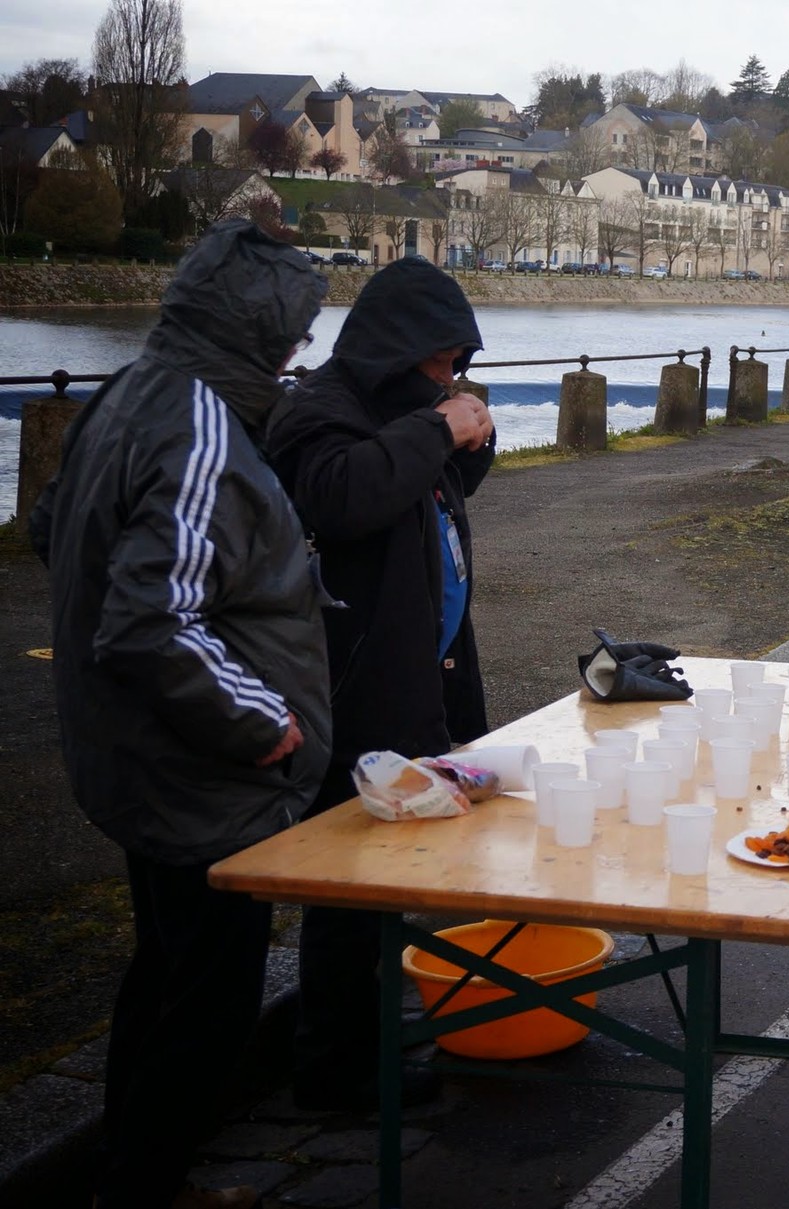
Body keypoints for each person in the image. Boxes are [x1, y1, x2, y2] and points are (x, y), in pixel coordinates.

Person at [29, 218, 332, 1209]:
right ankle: (148, 1180)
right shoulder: (198, 421)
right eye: (294, 337)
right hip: (200, 771)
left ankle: (132, 1162)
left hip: (130, 753)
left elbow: (53, 527)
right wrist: (265, 723)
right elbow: (151, 621)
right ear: (257, 335)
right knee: (209, 994)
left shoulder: (127, 393)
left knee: (162, 968)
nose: (299, 357)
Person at [266, 258, 494, 1111]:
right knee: (346, 894)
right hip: (350, 687)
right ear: (399, 350)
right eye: (441, 361)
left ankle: (366, 1045)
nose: (450, 378)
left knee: (387, 883)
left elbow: (437, 485)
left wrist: (470, 438)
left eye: (458, 365)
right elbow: (341, 497)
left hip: (416, 677)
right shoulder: (318, 411)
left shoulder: (408, 410)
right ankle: (334, 1071)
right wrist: (438, 428)